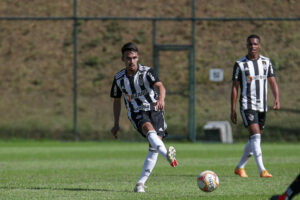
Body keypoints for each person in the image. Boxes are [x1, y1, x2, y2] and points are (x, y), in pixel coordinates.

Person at [110, 42, 178, 192]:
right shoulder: (118, 78)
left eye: (134, 58)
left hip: (155, 109)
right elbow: (116, 101)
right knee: (148, 129)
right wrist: (116, 123)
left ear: (138, 57)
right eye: (128, 58)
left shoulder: (147, 72)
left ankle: (140, 184)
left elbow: (160, 86)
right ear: (123, 59)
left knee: (154, 147)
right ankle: (167, 155)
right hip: (136, 112)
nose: (131, 61)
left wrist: (161, 99)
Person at [231, 34, 280, 178]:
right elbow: (235, 87)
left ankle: (240, 167)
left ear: (259, 45)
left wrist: (276, 98)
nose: (253, 46)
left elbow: (272, 81)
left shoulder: (266, 62)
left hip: (262, 106)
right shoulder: (240, 64)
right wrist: (232, 109)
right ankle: (262, 170)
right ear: (247, 46)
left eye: (255, 44)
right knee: (256, 136)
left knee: (254, 139)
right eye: (250, 44)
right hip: (247, 104)